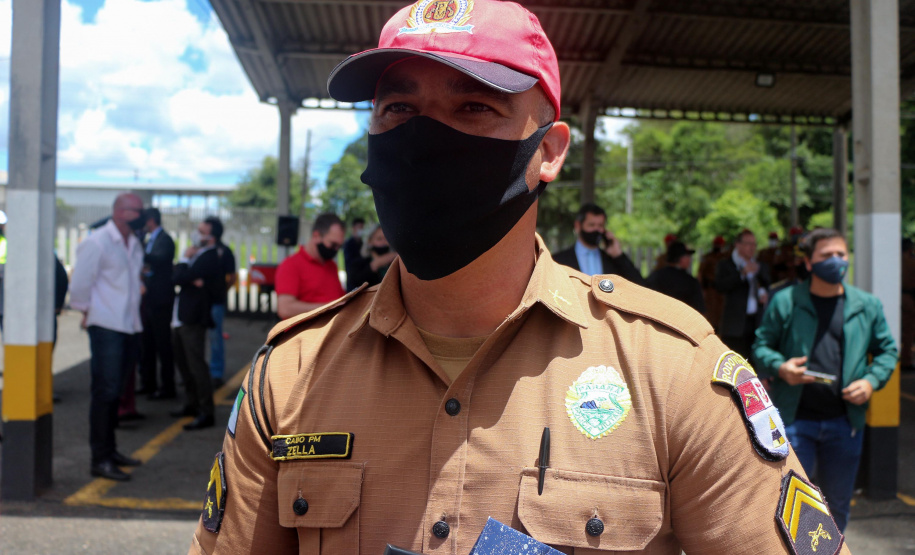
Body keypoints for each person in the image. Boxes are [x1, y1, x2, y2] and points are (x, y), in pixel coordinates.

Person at [187, 2, 846, 554]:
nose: (426, 139)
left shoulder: (672, 370)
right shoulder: (291, 372)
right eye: (398, 111)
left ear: (550, 152)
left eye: (473, 107)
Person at [752, 227, 897, 532]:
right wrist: (781, 367)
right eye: (826, 255)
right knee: (788, 503)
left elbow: (887, 351)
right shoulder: (786, 301)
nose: (836, 261)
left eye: (841, 255)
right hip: (794, 422)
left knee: (837, 505)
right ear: (808, 263)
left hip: (845, 424)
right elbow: (761, 347)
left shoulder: (866, 305)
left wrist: (871, 381)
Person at [69, 193, 145, 481]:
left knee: (116, 393)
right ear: (118, 211)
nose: (139, 214)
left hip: (129, 325)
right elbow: (80, 284)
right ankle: (99, 459)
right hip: (106, 324)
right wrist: (86, 312)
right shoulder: (97, 241)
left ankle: (110, 451)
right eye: (134, 210)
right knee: (106, 392)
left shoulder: (134, 243)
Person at [170, 219, 224, 431]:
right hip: (182, 315)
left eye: (201, 231)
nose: (196, 234)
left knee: (196, 365)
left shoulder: (210, 257)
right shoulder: (199, 255)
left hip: (193, 318)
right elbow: (181, 277)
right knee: (183, 363)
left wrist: (184, 261)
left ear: (211, 237)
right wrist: (188, 277)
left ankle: (205, 411)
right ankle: (191, 404)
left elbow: (179, 276)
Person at [274, 213, 346, 320]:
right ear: (316, 236)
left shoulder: (331, 265)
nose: (335, 250)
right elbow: (285, 309)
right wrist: (327, 308)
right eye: (333, 244)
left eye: (339, 246)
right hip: (307, 334)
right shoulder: (291, 265)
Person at [138, 208, 177, 400]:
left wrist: (137, 248)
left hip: (161, 299)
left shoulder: (165, 240)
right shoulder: (151, 239)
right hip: (150, 298)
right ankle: (149, 383)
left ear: (150, 221)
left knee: (162, 343)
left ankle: (167, 387)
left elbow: (160, 259)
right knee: (148, 342)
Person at [553, 203, 644, 284]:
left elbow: (639, 285)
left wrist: (618, 255)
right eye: (591, 225)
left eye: (600, 225)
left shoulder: (611, 260)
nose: (596, 230)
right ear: (578, 226)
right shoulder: (559, 260)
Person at [715, 229, 771, 359]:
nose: (752, 247)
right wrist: (742, 273)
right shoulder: (726, 264)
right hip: (734, 324)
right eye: (748, 243)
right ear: (738, 245)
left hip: (756, 322)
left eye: (754, 244)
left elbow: (768, 284)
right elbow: (720, 286)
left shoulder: (760, 265)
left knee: (753, 362)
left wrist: (763, 291)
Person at [206, 216, 237, 389]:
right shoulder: (199, 249)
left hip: (215, 302)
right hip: (200, 303)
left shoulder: (224, 252)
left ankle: (216, 374)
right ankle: (200, 372)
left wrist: (220, 290)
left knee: (215, 338)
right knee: (194, 339)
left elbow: (232, 277)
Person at [646, 241, 705, 313]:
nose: (689, 259)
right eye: (687, 256)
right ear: (680, 258)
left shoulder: (655, 276)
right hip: (681, 321)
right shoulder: (690, 282)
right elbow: (699, 310)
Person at [346, 224, 398, 289]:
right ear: (370, 241)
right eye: (379, 239)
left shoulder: (396, 262)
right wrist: (375, 264)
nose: (383, 242)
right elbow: (354, 282)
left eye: (386, 238)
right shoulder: (358, 264)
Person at [698, 235, 727, 331]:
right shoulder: (707, 257)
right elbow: (700, 273)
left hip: (722, 292)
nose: (718, 246)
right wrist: (701, 289)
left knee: (721, 314)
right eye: (716, 244)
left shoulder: (726, 258)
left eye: (720, 244)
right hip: (710, 290)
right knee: (709, 314)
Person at [902, 237, 915, 371]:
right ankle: (906, 360)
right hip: (908, 298)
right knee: (908, 331)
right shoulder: (911, 262)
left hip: (897, 297)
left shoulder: (894, 261)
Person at [343, 217, 366, 291]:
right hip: (352, 284)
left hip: (363, 283)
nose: (361, 230)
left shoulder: (363, 243)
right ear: (353, 228)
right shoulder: (348, 244)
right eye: (359, 227)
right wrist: (362, 256)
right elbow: (350, 263)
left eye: (362, 227)